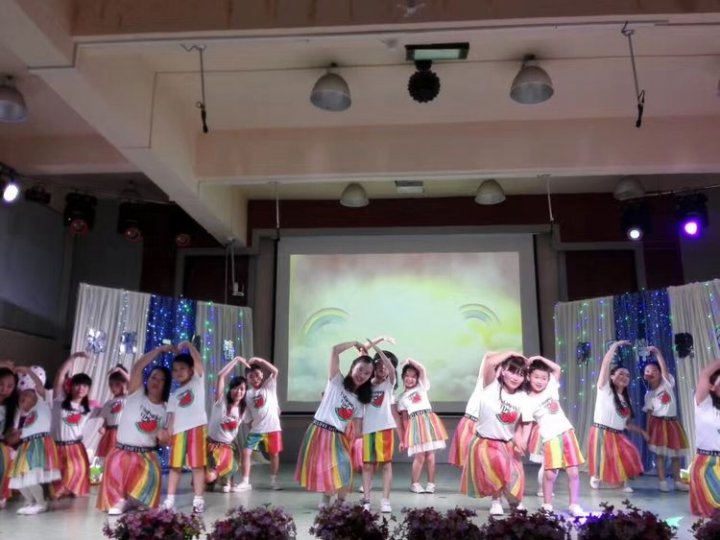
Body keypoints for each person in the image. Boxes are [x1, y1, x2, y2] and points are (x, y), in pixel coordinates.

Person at [295, 340, 373, 509]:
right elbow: (335, 350)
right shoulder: (336, 380)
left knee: (345, 469)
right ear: (352, 368)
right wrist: (355, 343)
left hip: (339, 437)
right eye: (360, 369)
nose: (362, 375)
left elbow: (357, 430)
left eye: (367, 373)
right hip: (320, 431)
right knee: (327, 469)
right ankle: (325, 500)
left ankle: (340, 502)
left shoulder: (360, 402)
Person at [97, 344, 172, 514]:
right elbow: (138, 366)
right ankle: (120, 499)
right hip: (122, 452)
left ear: (166, 384)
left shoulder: (166, 409)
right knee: (117, 475)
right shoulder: (136, 393)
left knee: (146, 504)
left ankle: (132, 499)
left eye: (161, 380)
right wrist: (159, 350)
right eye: (153, 377)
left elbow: (166, 440)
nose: (156, 381)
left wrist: (165, 438)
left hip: (146, 456)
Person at [460, 351, 529, 516]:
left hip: (507, 443)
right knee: (498, 464)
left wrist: (522, 440)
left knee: (515, 475)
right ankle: (496, 501)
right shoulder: (491, 386)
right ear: (503, 370)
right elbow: (490, 362)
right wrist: (512, 353)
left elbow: (523, 423)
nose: (516, 377)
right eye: (512, 371)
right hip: (485, 442)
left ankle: (512, 499)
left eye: (520, 374)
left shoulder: (523, 397)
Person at [522, 356, 585, 516]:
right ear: (528, 376)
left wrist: (538, 358)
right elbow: (527, 424)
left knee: (573, 473)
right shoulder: (527, 400)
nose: (540, 381)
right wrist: (522, 442)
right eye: (536, 377)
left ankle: (574, 505)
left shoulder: (551, 387)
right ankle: (547, 504)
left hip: (566, 432)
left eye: (544, 378)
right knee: (550, 474)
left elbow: (557, 368)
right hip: (550, 438)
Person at [588, 340, 646, 492]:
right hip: (602, 431)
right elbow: (605, 364)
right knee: (602, 457)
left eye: (627, 375)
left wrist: (642, 432)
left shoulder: (627, 400)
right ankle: (596, 476)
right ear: (612, 377)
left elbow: (626, 423)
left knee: (627, 453)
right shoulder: (604, 389)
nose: (624, 377)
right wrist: (615, 346)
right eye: (620, 374)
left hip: (618, 434)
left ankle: (622, 482)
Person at [162, 341, 208, 513]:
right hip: (178, 433)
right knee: (175, 467)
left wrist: (188, 345)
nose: (178, 372)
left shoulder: (197, 380)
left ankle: (198, 500)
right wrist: (168, 433)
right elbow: (171, 418)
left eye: (182, 368)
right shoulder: (174, 395)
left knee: (197, 466)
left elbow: (198, 361)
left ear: (191, 370)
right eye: (175, 369)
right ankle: (169, 500)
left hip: (197, 428)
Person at [9, 365, 60, 514]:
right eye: (21, 398)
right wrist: (17, 433)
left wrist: (28, 371)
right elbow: (20, 433)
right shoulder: (27, 415)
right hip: (26, 446)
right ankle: (31, 502)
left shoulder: (43, 403)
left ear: (35, 395)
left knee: (31, 477)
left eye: (26, 395)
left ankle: (41, 503)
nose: (22, 399)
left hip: (39, 444)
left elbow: (38, 385)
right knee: (18, 479)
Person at [360, 339, 402, 513]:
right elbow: (362, 357)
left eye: (385, 365)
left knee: (386, 465)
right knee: (367, 466)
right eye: (378, 365)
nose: (383, 368)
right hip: (368, 430)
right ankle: (366, 499)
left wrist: (379, 351)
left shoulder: (389, 384)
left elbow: (391, 369)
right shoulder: (364, 385)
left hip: (385, 429)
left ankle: (385, 500)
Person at [396, 358, 448, 494]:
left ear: (417, 379)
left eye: (413, 376)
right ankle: (414, 483)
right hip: (415, 425)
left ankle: (431, 484)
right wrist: (405, 437)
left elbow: (422, 369)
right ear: (403, 377)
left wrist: (409, 360)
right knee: (419, 456)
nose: (410, 379)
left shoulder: (422, 387)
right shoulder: (401, 398)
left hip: (428, 422)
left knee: (430, 455)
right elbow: (404, 419)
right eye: (407, 376)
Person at [642, 345, 689, 492]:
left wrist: (657, 353)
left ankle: (677, 481)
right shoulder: (648, 395)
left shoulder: (666, 383)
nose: (651, 373)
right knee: (660, 455)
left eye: (654, 370)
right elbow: (649, 413)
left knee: (676, 454)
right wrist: (647, 431)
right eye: (647, 371)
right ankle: (662, 481)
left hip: (672, 423)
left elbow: (664, 368)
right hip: (658, 424)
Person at [51, 352, 94, 499]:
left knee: (76, 477)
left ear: (88, 389)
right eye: (77, 384)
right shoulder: (60, 400)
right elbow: (60, 374)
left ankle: (69, 489)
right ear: (71, 386)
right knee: (55, 490)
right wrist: (74, 357)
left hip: (75, 448)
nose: (81, 388)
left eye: (85, 385)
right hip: (57, 446)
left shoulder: (88, 409)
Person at [240, 356, 282, 491]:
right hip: (256, 430)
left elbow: (275, 371)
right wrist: (250, 426)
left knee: (274, 454)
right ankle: (245, 481)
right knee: (246, 452)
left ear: (262, 375)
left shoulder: (269, 386)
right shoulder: (247, 394)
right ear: (247, 379)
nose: (255, 378)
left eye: (257, 375)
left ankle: (274, 481)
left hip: (273, 428)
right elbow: (247, 416)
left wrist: (260, 361)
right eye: (251, 376)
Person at [206, 356, 247, 492]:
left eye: (242, 389)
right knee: (208, 480)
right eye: (235, 388)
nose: (238, 392)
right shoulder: (221, 402)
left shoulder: (243, 410)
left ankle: (226, 479)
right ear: (230, 389)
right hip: (212, 446)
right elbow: (221, 376)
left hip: (228, 448)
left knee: (226, 489)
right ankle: (213, 477)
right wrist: (236, 360)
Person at [689, 358, 720, 517]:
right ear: (712, 387)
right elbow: (705, 374)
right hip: (706, 464)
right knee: (714, 509)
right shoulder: (703, 403)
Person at [448, 353, 488, 468]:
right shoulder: (481, 381)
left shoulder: (501, 390)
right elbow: (487, 357)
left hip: (483, 427)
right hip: (469, 422)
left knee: (481, 463)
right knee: (464, 462)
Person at [95, 366, 130, 468]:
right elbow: (106, 419)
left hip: (122, 433)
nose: (113, 388)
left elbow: (132, 382)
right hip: (109, 433)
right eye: (111, 385)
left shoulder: (128, 398)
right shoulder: (108, 403)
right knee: (103, 456)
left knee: (119, 459)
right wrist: (103, 427)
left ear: (124, 384)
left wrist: (120, 370)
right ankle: (97, 475)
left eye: (117, 384)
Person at [0, 362, 18, 509]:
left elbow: (9, 437)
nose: (4, 389)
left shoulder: (12, 409)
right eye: (0, 384)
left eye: (10, 386)